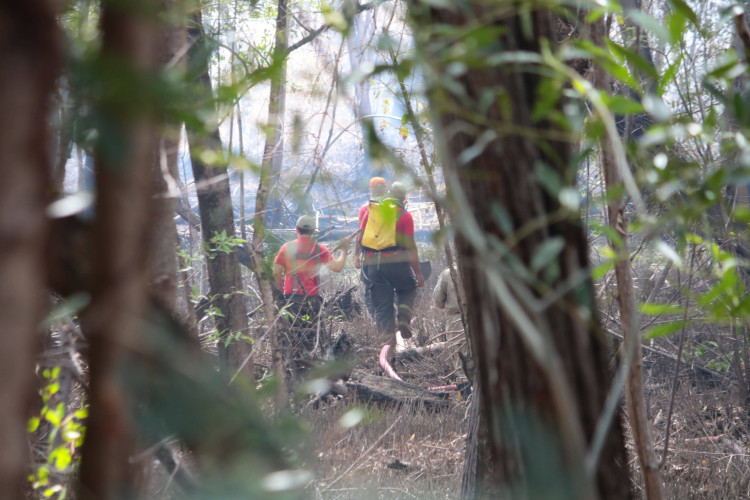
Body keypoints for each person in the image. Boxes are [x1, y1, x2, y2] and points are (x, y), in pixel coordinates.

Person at [355, 181, 425, 346]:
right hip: (398, 263)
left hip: (374, 266)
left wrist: (356, 257)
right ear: (404, 197)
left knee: (382, 307)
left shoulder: (372, 210)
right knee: (407, 289)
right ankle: (403, 319)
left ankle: (387, 345)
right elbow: (410, 246)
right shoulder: (405, 215)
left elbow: (360, 236)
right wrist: (418, 273)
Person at [273, 215, 349, 329]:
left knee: (292, 334)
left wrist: (280, 293)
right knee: (312, 333)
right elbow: (337, 267)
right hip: (311, 300)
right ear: (313, 231)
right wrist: (344, 251)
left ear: (297, 229)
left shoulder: (286, 247)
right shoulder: (320, 249)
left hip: (291, 299)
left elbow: (276, 272)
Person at [357, 177, 388, 319]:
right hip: (393, 257)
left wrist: (356, 255)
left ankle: (376, 320)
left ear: (371, 190)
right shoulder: (394, 207)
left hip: (371, 257)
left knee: (369, 290)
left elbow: (360, 234)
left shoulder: (365, 208)